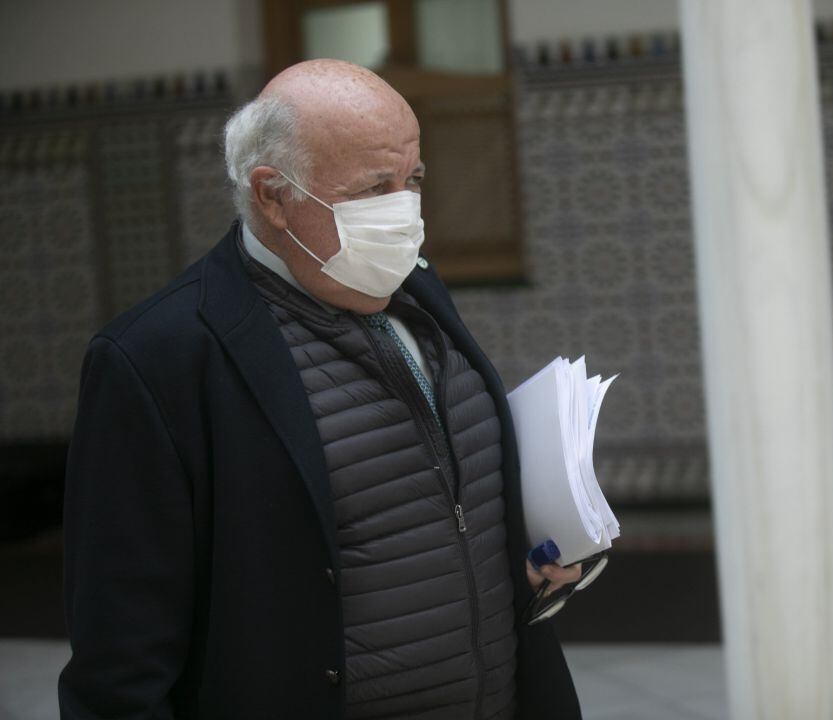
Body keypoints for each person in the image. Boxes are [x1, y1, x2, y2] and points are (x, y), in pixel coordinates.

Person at [58, 59, 584, 719]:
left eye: (412, 179)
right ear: (273, 196)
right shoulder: (157, 359)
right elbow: (119, 667)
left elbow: (425, 517)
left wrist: (520, 575)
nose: (403, 210)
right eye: (372, 189)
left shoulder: (420, 296)